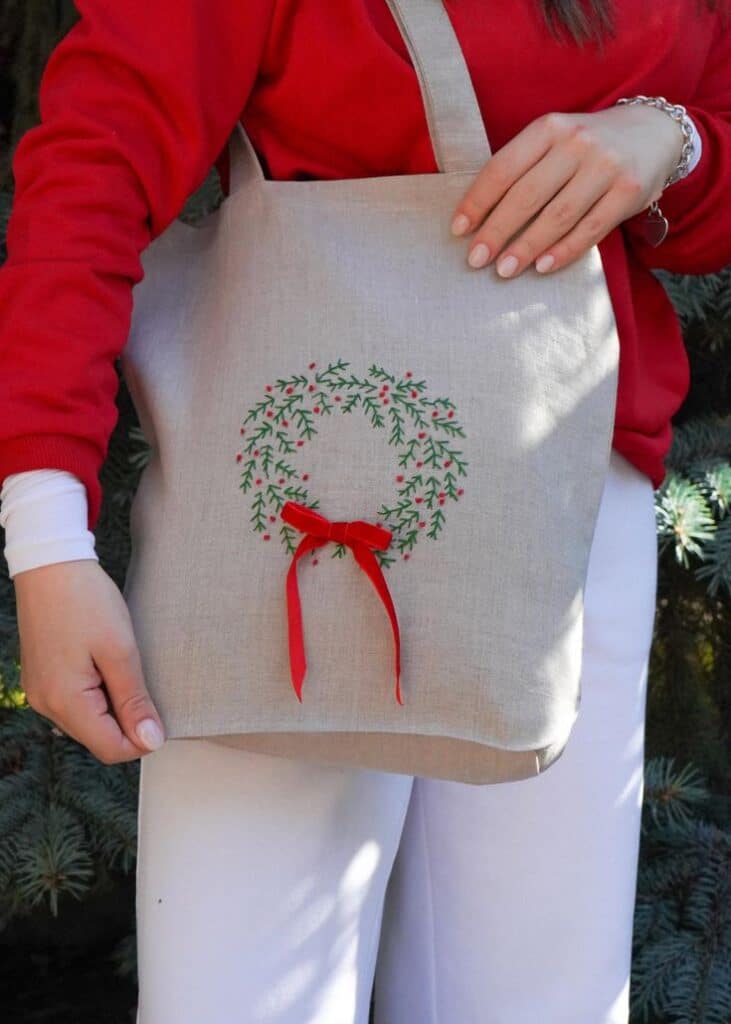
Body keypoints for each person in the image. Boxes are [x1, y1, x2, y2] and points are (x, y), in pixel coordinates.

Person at [1, 1, 730, 1021]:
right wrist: (46, 534)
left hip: (569, 510)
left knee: (540, 1000)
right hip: (277, 523)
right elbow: (98, 163)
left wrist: (671, 141)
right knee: (244, 1000)